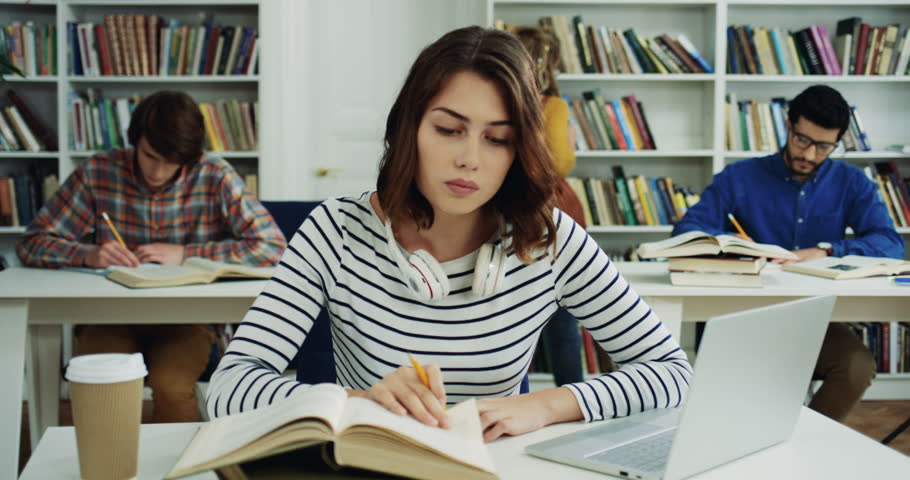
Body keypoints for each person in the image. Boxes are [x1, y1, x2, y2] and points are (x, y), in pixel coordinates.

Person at [207, 26, 690, 442]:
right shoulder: (335, 231)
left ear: (518, 151)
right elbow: (230, 388)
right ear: (409, 129)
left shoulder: (551, 241)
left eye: (497, 139)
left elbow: (673, 374)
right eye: (448, 129)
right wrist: (357, 401)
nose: (470, 160)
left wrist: (547, 404)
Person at [17, 90, 287, 423]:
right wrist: (89, 254)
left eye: (171, 162)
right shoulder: (100, 170)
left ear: (189, 157)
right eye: (149, 156)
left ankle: (181, 474)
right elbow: (32, 242)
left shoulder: (213, 174)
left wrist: (186, 254)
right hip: (108, 314)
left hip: (189, 319)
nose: (158, 172)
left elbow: (273, 246)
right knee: (103, 383)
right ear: (135, 141)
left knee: (172, 386)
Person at [672, 84, 904, 423]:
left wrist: (826, 250)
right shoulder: (739, 177)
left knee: (857, 365)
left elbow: (890, 244)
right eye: (802, 140)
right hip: (740, 316)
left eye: (824, 146)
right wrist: (744, 251)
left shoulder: (852, 183)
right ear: (788, 125)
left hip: (812, 317)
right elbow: (687, 232)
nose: (809, 155)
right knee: (729, 408)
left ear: (838, 141)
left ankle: (803, 439)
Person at [513, 25, 591, 385]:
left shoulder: (501, 102)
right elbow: (560, 164)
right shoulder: (553, 106)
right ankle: (570, 398)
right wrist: (567, 141)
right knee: (563, 319)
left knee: (510, 323)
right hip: (549, 215)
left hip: (508, 213)